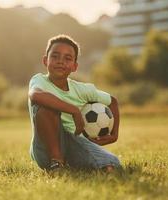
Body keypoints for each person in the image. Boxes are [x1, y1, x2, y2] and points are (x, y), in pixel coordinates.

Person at [28, 34, 121, 172]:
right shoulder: (39, 81)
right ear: (45, 60)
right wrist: (74, 110)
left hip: (75, 142)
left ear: (74, 66)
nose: (60, 61)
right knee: (46, 107)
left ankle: (74, 163)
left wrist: (114, 134)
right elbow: (36, 96)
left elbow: (112, 101)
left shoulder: (81, 90)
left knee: (112, 164)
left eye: (67, 58)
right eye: (55, 56)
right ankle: (56, 163)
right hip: (45, 149)